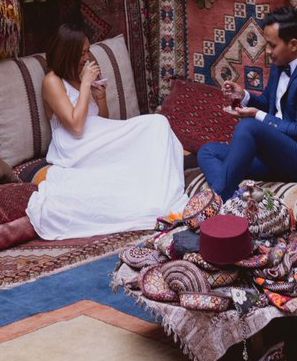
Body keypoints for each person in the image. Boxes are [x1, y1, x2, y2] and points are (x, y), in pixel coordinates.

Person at [26, 24, 188, 239]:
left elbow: (101, 121)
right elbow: (75, 126)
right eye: (82, 52)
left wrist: (100, 97)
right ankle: (160, 199)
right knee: (156, 124)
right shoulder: (53, 81)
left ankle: (162, 196)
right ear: (68, 52)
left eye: (87, 51)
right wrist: (85, 85)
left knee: (158, 125)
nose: (86, 57)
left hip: (95, 139)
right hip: (74, 146)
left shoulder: (78, 76)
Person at [197, 6, 297, 201]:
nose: (268, 51)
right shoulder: (279, 67)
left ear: (293, 44)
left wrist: (255, 115)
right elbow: (268, 104)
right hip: (274, 156)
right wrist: (244, 95)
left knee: (249, 126)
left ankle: (212, 205)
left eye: (272, 45)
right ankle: (232, 201)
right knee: (208, 151)